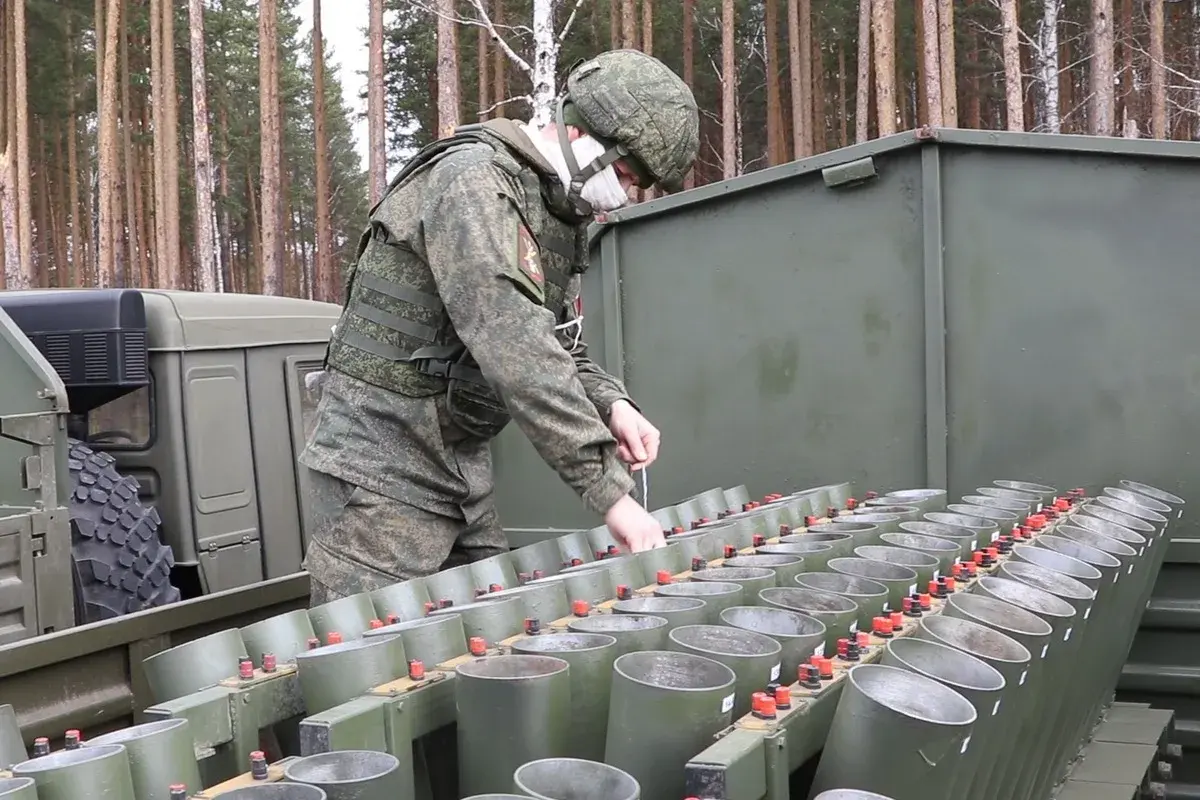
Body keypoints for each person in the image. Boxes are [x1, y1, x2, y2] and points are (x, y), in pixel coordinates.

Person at [296, 49, 701, 606]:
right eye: (627, 175)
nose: (625, 194)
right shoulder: (474, 184)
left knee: (488, 634)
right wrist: (610, 493)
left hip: (459, 466)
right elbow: (513, 342)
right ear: (583, 134)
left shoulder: (547, 207)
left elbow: (555, 338)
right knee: (366, 659)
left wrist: (613, 404)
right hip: (381, 467)